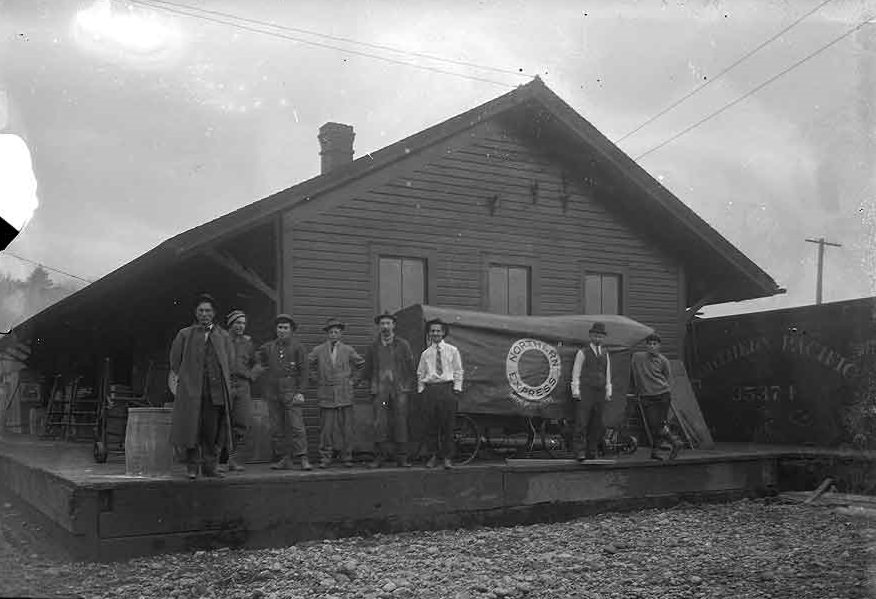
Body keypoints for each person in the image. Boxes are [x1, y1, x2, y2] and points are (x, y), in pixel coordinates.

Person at [169, 293, 234, 479]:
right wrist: (188, 377)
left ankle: (209, 467)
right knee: (192, 429)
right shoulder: (185, 334)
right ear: (196, 313)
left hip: (215, 393)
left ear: (214, 314)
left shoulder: (223, 336)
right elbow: (175, 361)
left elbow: (230, 361)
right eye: (201, 310)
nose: (204, 314)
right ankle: (192, 466)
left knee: (211, 431)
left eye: (208, 311)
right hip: (191, 392)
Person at [308, 318, 365, 469]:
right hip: (326, 393)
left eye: (336, 332)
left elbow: (361, 365)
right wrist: (316, 378)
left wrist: (353, 381)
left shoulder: (348, 350)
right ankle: (325, 457)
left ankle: (347, 457)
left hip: (345, 393)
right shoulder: (319, 350)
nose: (333, 334)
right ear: (327, 334)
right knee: (326, 429)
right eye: (331, 332)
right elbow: (307, 365)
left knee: (346, 428)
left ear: (341, 334)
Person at [257, 313, 311, 471]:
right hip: (273, 392)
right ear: (276, 330)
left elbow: (304, 371)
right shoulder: (269, 347)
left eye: (285, 328)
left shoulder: (298, 347)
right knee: (277, 427)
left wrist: (301, 391)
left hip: (291, 390)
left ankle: (303, 458)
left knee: (296, 426)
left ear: (291, 330)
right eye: (279, 327)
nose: (282, 330)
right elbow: (258, 358)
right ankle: (284, 458)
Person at [363, 311, 416, 469]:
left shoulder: (403, 345)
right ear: (379, 327)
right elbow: (367, 369)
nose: (385, 326)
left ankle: (402, 458)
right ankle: (379, 458)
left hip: (399, 390)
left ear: (394, 325)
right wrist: (363, 383)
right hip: (381, 391)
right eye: (382, 324)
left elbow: (411, 368)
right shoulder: (373, 347)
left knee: (400, 422)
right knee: (380, 423)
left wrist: (406, 386)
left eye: (388, 323)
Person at [416, 317, 464, 469]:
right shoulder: (425, 354)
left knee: (448, 426)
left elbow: (458, 370)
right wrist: (421, 390)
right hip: (431, 390)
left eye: (438, 331)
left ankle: (447, 458)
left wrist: (456, 389)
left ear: (443, 333)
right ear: (429, 334)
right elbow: (420, 373)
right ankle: (432, 456)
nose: (435, 333)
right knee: (431, 426)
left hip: (446, 389)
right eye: (432, 331)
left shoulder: (452, 350)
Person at [222, 309, 263, 472]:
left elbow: (259, 363)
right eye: (238, 323)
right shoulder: (222, 340)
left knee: (242, 422)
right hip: (225, 384)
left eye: (243, 323)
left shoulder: (248, 342)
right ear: (231, 324)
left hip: (242, 385)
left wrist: (251, 376)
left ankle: (231, 458)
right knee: (222, 423)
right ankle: (220, 461)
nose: (241, 326)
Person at [630, 332, 683, 460]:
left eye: (655, 344)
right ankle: (674, 442)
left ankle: (657, 450)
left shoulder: (663, 361)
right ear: (646, 345)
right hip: (646, 396)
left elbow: (668, 378)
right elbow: (632, 371)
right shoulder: (638, 357)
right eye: (649, 344)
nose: (652, 346)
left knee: (659, 424)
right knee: (653, 424)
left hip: (662, 395)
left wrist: (668, 392)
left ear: (659, 346)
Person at [570, 321, 612, 462]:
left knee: (597, 423)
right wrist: (575, 390)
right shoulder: (583, 352)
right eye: (595, 336)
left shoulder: (605, 353)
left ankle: (591, 451)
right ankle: (579, 451)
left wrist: (608, 390)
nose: (598, 339)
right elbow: (576, 372)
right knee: (582, 422)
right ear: (590, 336)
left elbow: (607, 373)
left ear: (603, 338)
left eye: (600, 336)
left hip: (599, 392)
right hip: (586, 390)